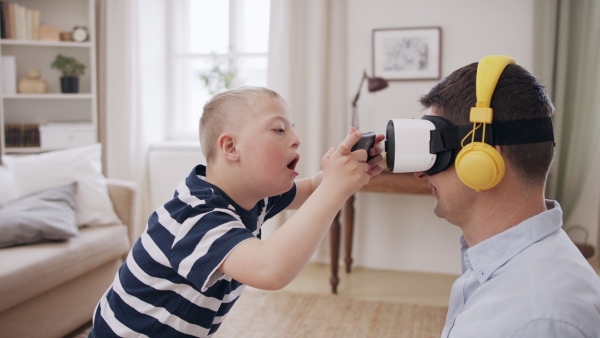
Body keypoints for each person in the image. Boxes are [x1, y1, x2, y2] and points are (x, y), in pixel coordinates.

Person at [88, 86, 384, 337]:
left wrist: (343, 171)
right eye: (279, 129)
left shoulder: (252, 197)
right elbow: (270, 270)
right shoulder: (196, 217)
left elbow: (311, 192)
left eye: (293, 128)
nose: (295, 139)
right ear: (230, 147)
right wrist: (334, 188)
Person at [415, 57, 600, 337]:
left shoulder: (539, 318)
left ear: (483, 162)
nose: (421, 172)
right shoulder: (502, 273)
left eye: (437, 153)